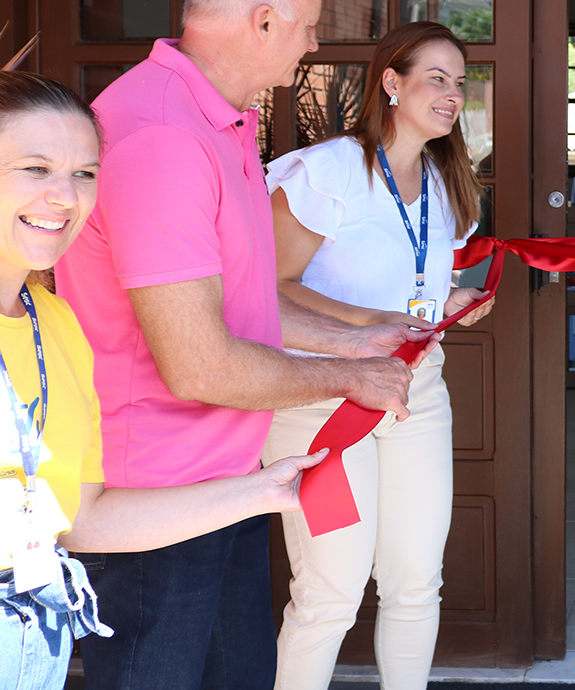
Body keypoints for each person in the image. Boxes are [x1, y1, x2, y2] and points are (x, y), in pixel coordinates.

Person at [54, 0, 437, 690]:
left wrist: (360, 341)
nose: (315, 43)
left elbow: (240, 307)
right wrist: (346, 378)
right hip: (152, 503)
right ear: (263, 23)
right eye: (307, 26)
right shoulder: (163, 135)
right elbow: (198, 360)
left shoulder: (218, 118)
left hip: (223, 484)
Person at [0, 72, 329, 690]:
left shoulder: (56, 327)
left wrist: (263, 492)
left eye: (85, 174)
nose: (65, 198)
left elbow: (82, 520)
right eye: (35, 169)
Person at [261, 21, 494, 690]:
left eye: (460, 81)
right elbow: (269, 287)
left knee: (417, 581)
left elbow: (420, 287)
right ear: (392, 82)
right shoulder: (328, 171)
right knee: (332, 590)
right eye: (437, 78)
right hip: (322, 400)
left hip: (416, 394)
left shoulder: (449, 182)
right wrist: (372, 323)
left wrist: (459, 300)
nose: (453, 94)